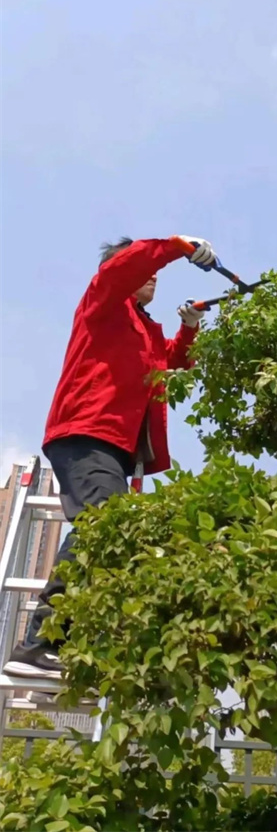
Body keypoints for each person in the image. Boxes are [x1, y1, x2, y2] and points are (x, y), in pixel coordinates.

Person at [3, 234, 216, 679]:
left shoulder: (143, 329)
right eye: (146, 269)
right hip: (86, 431)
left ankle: (59, 647)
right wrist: (178, 244)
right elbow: (122, 270)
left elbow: (171, 364)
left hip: (118, 449)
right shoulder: (104, 301)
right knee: (104, 523)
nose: (152, 274)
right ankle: (40, 643)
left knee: (113, 533)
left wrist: (190, 325)